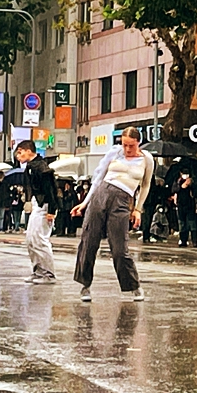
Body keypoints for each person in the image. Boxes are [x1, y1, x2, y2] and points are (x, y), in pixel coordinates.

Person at [71, 127, 153, 302]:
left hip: (123, 199)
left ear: (138, 142)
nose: (127, 149)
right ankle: (85, 285)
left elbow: (145, 185)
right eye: (124, 145)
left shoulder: (147, 159)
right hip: (101, 194)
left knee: (119, 248)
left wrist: (138, 209)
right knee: (89, 241)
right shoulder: (115, 152)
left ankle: (133, 285)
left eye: (131, 145)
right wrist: (85, 203)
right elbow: (98, 179)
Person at [15, 140, 60, 285]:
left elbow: (51, 189)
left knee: (40, 239)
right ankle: (38, 271)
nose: (18, 156)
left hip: (45, 205)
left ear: (29, 151)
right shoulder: (31, 167)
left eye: (20, 152)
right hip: (37, 204)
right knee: (31, 239)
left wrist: (51, 210)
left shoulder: (41, 167)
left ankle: (48, 273)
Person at [173, 173, 197, 248]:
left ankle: (195, 241)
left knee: (192, 224)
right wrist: (182, 185)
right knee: (182, 224)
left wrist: (190, 185)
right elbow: (174, 190)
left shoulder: (193, 182)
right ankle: (183, 240)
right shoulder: (178, 181)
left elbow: (196, 193)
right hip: (181, 206)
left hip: (190, 206)